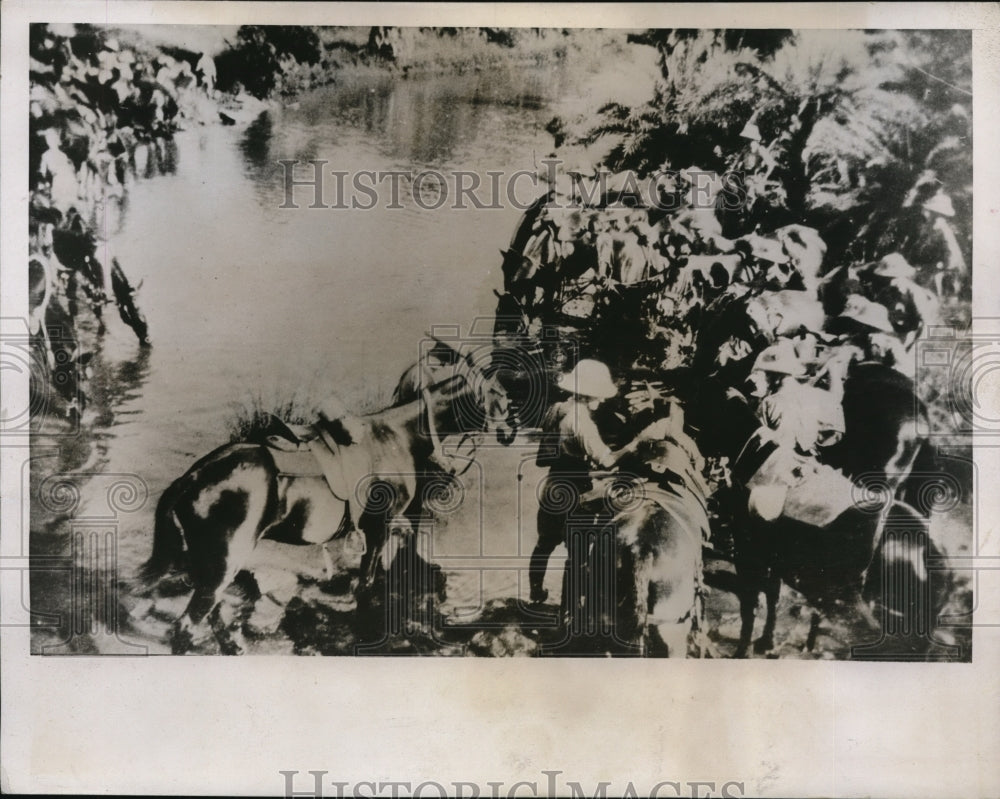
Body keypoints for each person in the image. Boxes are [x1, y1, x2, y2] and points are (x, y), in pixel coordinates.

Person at [528, 359, 670, 603]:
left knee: (545, 544)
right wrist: (635, 444)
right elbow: (607, 461)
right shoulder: (582, 423)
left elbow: (548, 452)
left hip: (553, 485)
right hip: (576, 492)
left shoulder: (557, 409)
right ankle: (570, 610)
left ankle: (536, 592)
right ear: (588, 394)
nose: (602, 400)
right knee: (577, 554)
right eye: (599, 395)